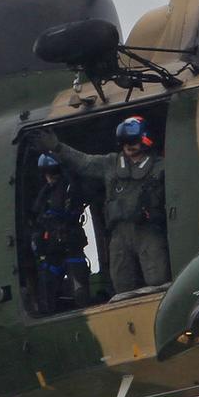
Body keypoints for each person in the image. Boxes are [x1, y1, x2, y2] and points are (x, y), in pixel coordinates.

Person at [32, 116, 170, 297]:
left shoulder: (160, 166)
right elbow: (84, 162)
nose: (129, 145)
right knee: (122, 284)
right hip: (119, 233)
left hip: (148, 230)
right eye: (125, 141)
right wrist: (58, 147)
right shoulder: (111, 163)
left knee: (158, 281)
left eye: (133, 140)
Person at [29, 153, 91, 312]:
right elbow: (37, 217)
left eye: (52, 172)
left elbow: (74, 207)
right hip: (51, 253)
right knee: (46, 299)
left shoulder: (71, 186)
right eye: (47, 173)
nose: (50, 177)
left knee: (80, 294)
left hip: (71, 249)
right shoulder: (44, 194)